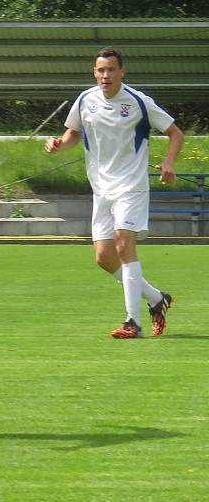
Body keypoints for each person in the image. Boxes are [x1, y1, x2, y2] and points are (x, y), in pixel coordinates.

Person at [45, 47, 184, 338]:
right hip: (101, 188)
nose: (105, 75)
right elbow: (72, 134)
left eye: (110, 69)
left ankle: (132, 322)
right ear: (94, 72)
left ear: (122, 72)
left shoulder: (138, 102)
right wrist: (59, 144)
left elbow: (175, 133)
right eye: (100, 70)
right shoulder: (85, 100)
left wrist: (169, 162)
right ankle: (157, 298)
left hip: (131, 186)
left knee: (123, 246)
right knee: (103, 257)